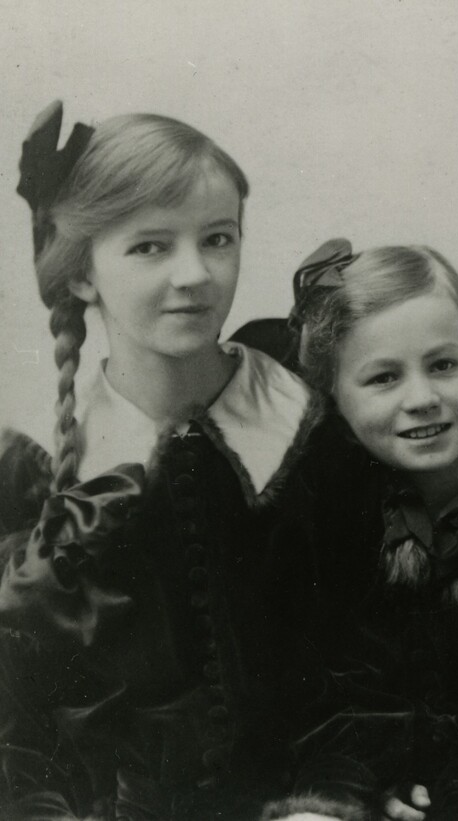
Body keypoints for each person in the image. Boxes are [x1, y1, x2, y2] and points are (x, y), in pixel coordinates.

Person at [0, 102, 376, 820]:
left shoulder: (311, 434)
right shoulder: (48, 480)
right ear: (82, 275)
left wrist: (328, 798)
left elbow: (361, 656)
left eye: (217, 239)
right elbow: (24, 732)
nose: (195, 274)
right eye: (149, 247)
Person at [291, 240, 458, 821]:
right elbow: (331, 697)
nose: (423, 399)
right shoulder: (333, 535)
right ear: (333, 399)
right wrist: (358, 788)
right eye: (384, 378)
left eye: (443, 365)